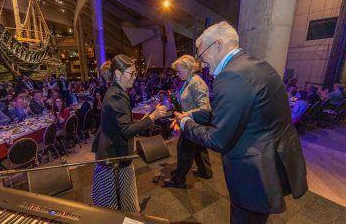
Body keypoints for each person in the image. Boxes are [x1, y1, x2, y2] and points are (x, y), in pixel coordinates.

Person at [174, 22, 308, 223]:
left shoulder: (230, 76)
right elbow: (237, 114)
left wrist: (186, 124)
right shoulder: (257, 65)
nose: (201, 64)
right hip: (273, 159)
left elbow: (218, 140)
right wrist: (192, 116)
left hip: (254, 171)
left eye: (202, 56)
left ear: (218, 45)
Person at [92, 55, 167, 212]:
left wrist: (146, 119)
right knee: (111, 206)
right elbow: (126, 131)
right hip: (113, 158)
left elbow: (120, 125)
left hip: (113, 155)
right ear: (118, 74)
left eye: (135, 73)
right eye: (131, 74)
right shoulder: (116, 95)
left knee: (120, 201)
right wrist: (152, 117)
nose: (135, 77)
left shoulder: (116, 92)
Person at [164, 55, 212, 189]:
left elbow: (205, 109)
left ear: (189, 68)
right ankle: (206, 172)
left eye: (179, 71)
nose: (177, 74)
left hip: (192, 122)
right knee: (198, 148)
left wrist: (185, 114)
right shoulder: (189, 80)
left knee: (184, 149)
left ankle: (179, 180)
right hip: (190, 121)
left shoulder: (196, 82)